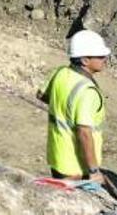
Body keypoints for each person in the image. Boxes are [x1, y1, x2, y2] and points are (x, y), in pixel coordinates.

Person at [37, 30, 110, 183]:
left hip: (57, 157)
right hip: (76, 167)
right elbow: (84, 132)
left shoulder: (59, 72)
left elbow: (41, 95)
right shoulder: (87, 91)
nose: (105, 58)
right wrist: (93, 171)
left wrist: (63, 107)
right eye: (100, 56)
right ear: (84, 60)